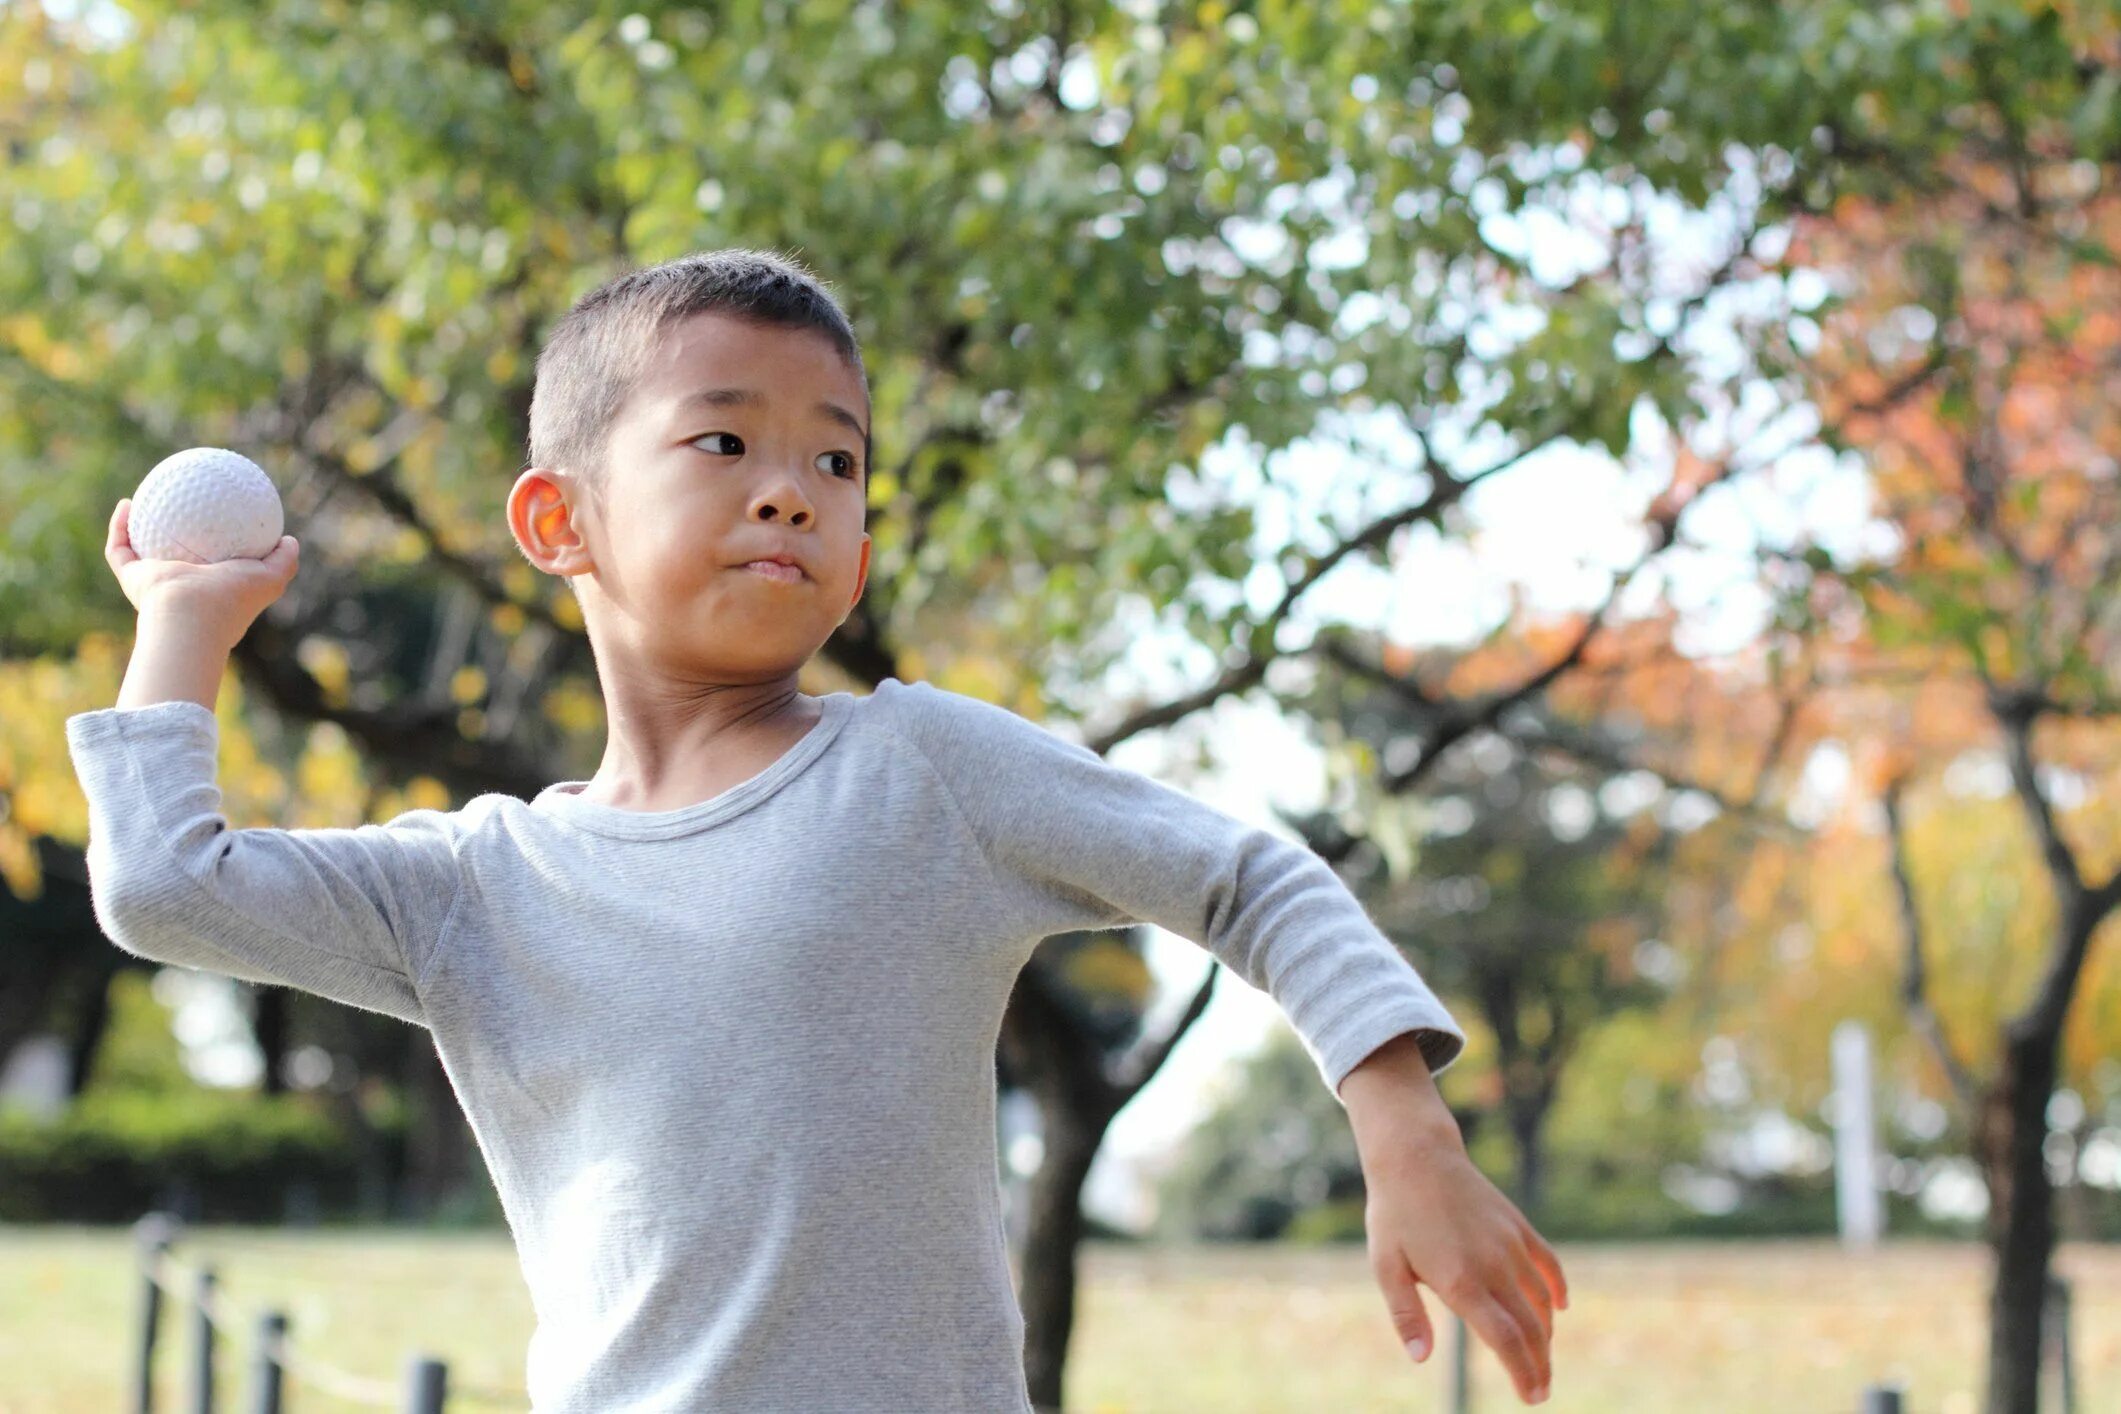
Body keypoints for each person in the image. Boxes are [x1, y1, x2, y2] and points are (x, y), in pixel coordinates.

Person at [65, 247, 1566, 1411]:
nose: (790, 490)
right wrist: (190, 624)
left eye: (834, 462)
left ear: (855, 559)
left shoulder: (925, 773)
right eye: (723, 443)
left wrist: (1400, 1117)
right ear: (556, 521)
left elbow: (1243, 874)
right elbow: (164, 886)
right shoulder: (477, 887)